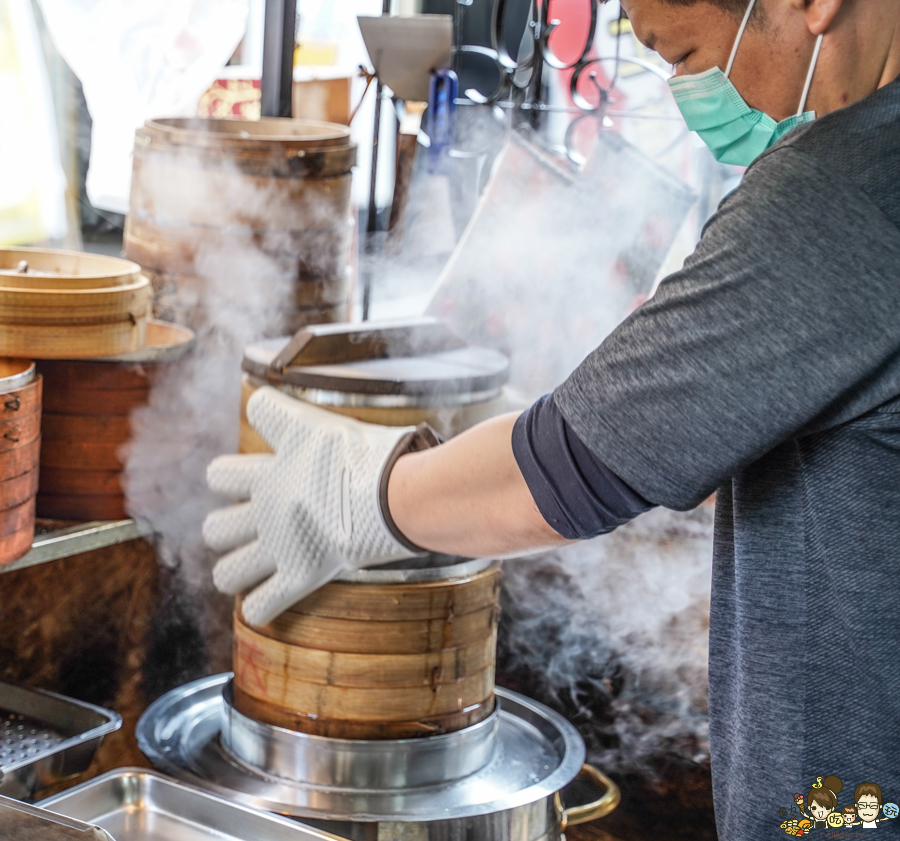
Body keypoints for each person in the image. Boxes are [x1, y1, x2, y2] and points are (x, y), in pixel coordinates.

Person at [203, 0, 900, 839]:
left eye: (682, 55)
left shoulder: (842, 191)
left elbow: (568, 472)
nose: (687, 90)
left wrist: (364, 495)